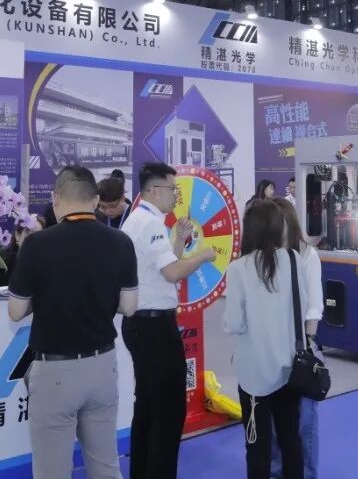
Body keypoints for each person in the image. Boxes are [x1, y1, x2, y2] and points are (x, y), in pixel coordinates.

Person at [9, 166, 139, 479]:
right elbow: (129, 306)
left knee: (52, 471)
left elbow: (15, 310)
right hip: (102, 365)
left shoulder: (37, 245)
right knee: (105, 465)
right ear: (95, 201)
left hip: (54, 371)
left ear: (55, 199)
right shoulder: (121, 242)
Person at [120, 163, 215, 479]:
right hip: (155, 328)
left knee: (148, 405)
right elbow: (173, 273)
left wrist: (180, 241)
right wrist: (202, 256)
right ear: (152, 191)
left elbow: (160, 269)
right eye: (172, 189)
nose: (176, 195)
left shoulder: (138, 220)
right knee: (169, 410)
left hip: (141, 324)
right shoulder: (151, 225)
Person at [223, 200, 306, 479]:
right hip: (289, 369)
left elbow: (234, 323)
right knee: (290, 439)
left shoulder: (239, 269)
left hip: (254, 375)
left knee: (257, 446)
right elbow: (303, 308)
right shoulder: (294, 260)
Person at [270, 198, 323, 479]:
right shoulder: (264, 256)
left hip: (300, 346)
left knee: (304, 421)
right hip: (271, 347)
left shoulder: (307, 255)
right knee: (274, 420)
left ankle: (305, 473)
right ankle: (277, 471)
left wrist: (307, 347)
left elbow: (314, 304)